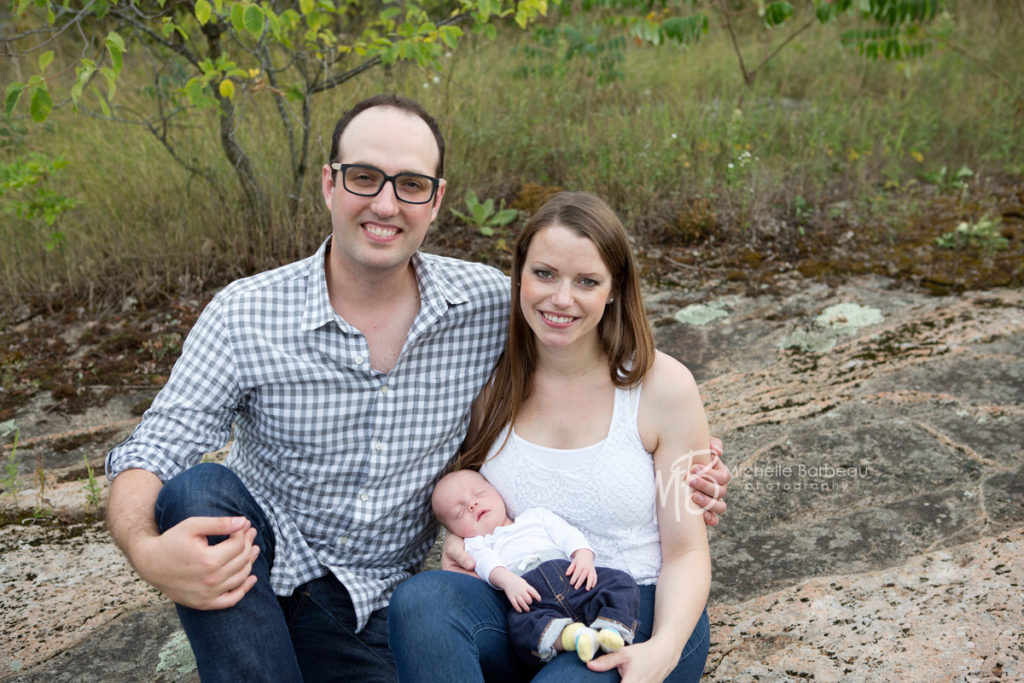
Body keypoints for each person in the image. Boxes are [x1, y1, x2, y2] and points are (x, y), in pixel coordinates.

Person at [104, 94, 730, 682]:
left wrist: (692, 468)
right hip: (273, 585)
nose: (385, 204)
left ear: (434, 200)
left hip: (387, 611)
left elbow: (617, 402)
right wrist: (145, 550)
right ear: (329, 183)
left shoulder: (486, 308)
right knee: (197, 491)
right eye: (363, 177)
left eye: (409, 184)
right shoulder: (246, 314)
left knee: (422, 611)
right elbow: (152, 449)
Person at [390, 191, 715, 682]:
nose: (561, 299)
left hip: (634, 609)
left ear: (614, 289)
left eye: (586, 281)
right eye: (544, 274)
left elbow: (687, 552)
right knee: (422, 601)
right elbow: (470, 495)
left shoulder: (660, 387)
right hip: (529, 610)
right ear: (518, 274)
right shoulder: (489, 383)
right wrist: (463, 538)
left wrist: (664, 651)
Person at [433, 469, 642, 665]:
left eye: (478, 493)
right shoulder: (477, 544)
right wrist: (507, 581)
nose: (472, 505)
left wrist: (583, 555)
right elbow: (487, 564)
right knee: (520, 627)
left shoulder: (535, 516)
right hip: (533, 598)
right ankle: (573, 637)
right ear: (454, 531)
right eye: (459, 512)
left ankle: (611, 628)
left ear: (498, 492)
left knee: (619, 581)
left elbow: (566, 533)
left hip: (572, 579)